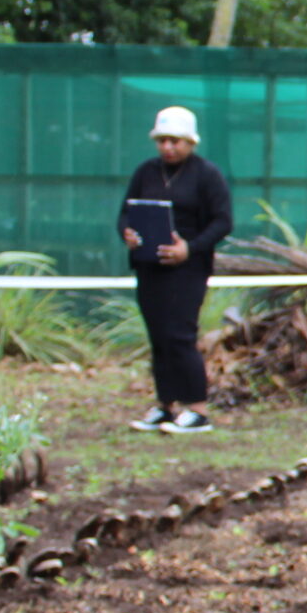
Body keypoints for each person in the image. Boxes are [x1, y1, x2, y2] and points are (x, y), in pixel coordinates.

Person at [118, 105, 233, 434]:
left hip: (188, 271)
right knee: (158, 337)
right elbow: (125, 213)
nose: (168, 147)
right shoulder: (145, 173)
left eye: (176, 141)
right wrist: (128, 233)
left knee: (180, 335)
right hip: (148, 266)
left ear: (190, 142)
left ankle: (196, 408)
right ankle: (165, 405)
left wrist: (189, 248)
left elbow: (223, 221)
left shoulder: (207, 175)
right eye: (163, 141)